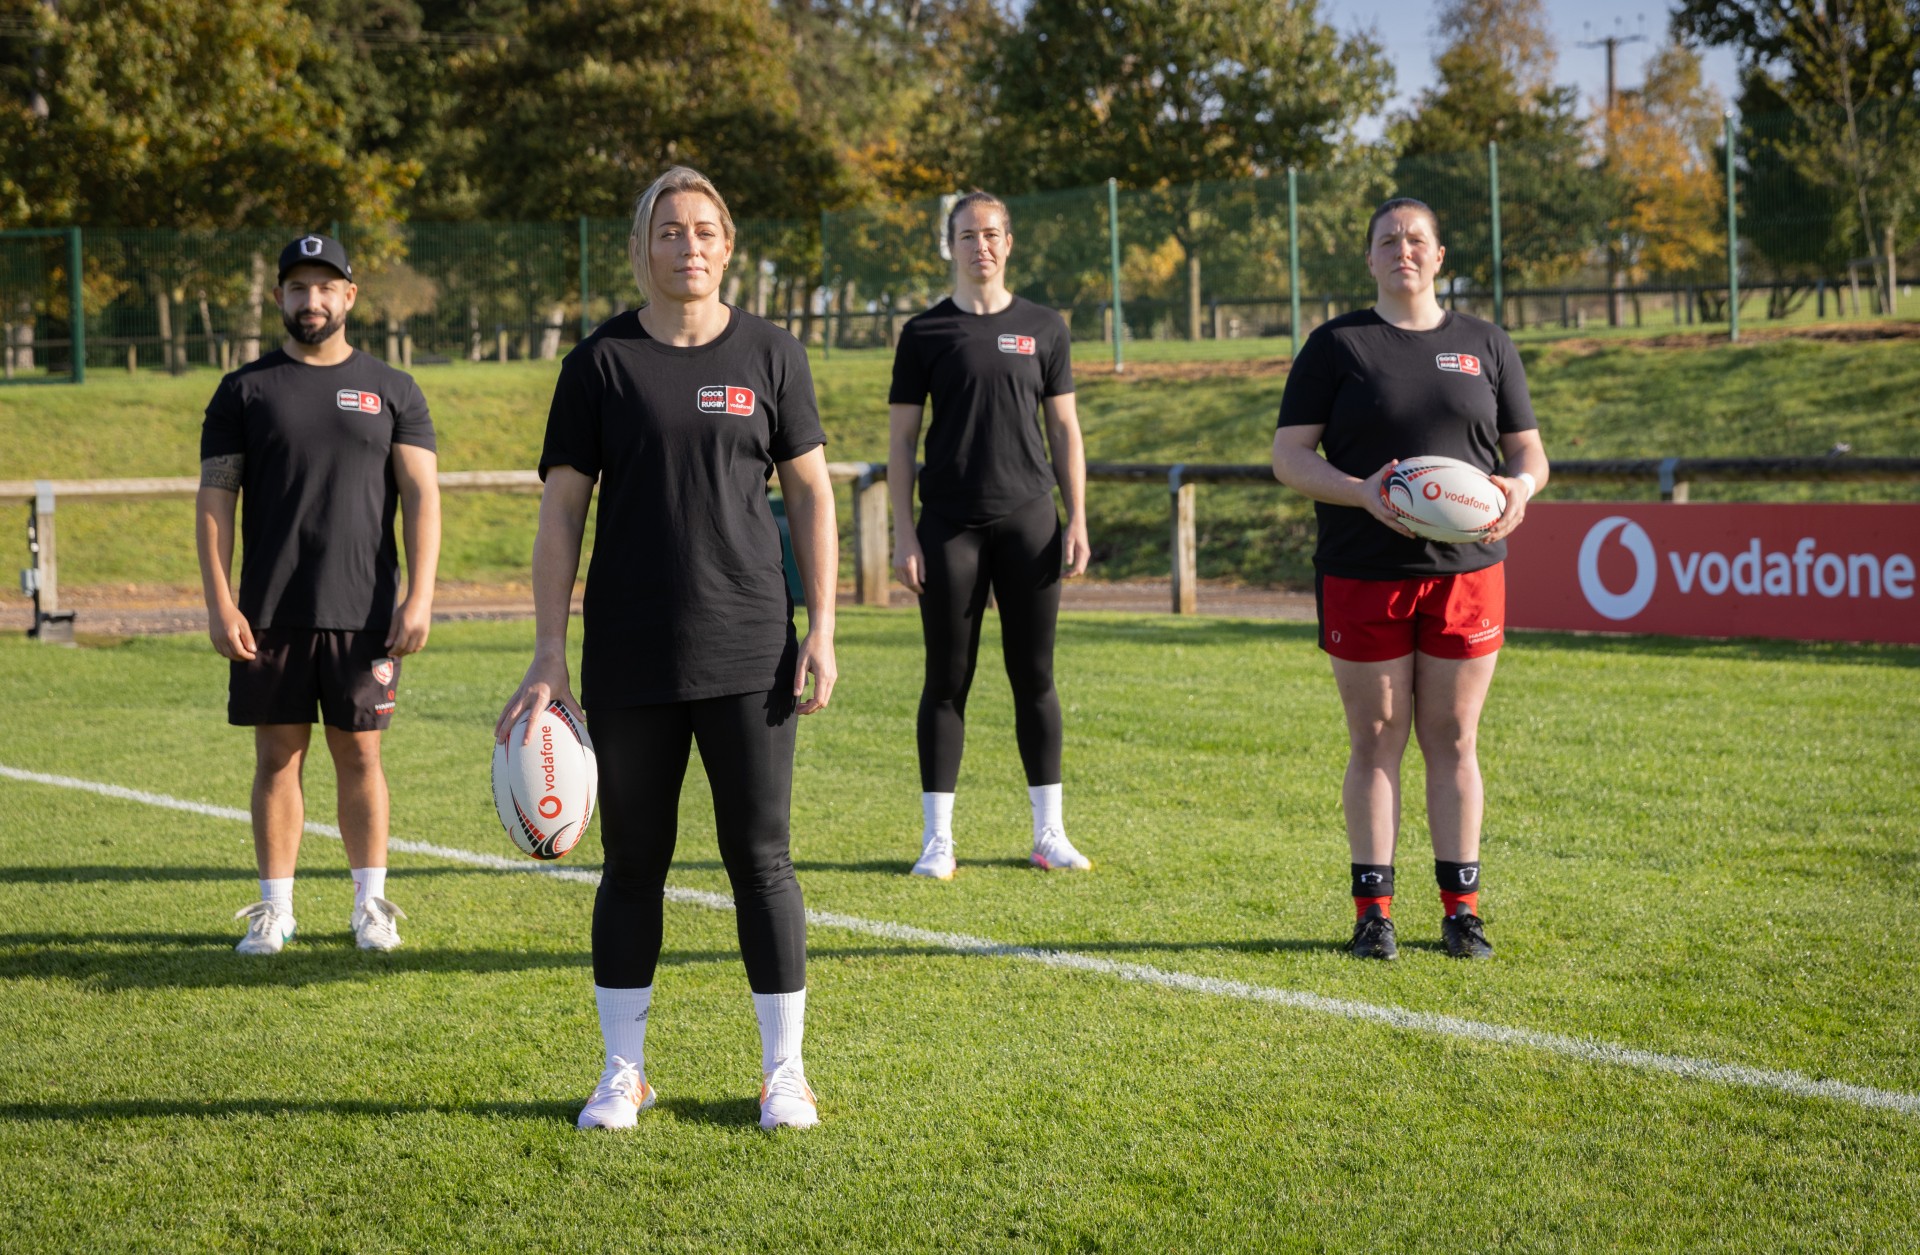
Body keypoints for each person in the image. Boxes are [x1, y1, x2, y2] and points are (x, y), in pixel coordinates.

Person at [495, 167, 838, 1133]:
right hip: (632, 654)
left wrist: (824, 625)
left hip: (751, 649)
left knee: (761, 860)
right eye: (669, 233)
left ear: (729, 246)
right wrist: (548, 652)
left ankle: (785, 1073)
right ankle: (623, 1071)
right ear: (642, 250)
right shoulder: (599, 363)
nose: (689, 248)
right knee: (632, 862)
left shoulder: (773, 353)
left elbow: (811, 493)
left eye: (705, 232)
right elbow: (562, 511)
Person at [1271, 198, 1549, 962]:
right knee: (1377, 738)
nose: (1403, 250)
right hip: (1364, 571)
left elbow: (1529, 452)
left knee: (1455, 738)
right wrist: (1362, 492)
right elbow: (1289, 456)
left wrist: (1518, 493)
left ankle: (1462, 911)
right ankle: (1374, 914)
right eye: (1387, 240)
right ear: (1369, 259)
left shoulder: (1485, 343)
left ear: (1440, 254)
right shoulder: (1336, 345)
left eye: (1416, 239)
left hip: (1469, 572)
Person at [197, 233, 441, 956]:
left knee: (361, 756)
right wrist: (220, 602)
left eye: (325, 286)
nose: (312, 300)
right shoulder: (243, 390)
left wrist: (421, 595)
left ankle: (371, 907)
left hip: (365, 613)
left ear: (349, 296)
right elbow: (215, 502)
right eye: (298, 287)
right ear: (279, 297)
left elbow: (422, 496)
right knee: (277, 757)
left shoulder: (394, 389)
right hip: (268, 613)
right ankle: (276, 910)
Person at [887, 191, 1092, 880]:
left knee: (1034, 677)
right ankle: (937, 840)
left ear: (1010, 243)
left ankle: (1048, 833)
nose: (982, 245)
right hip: (948, 528)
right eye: (968, 234)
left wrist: (1078, 517)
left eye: (993, 234)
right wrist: (901, 533)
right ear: (950, 245)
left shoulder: (1044, 327)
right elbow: (900, 441)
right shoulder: (924, 333)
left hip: (1030, 521)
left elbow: (1065, 430)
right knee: (947, 680)